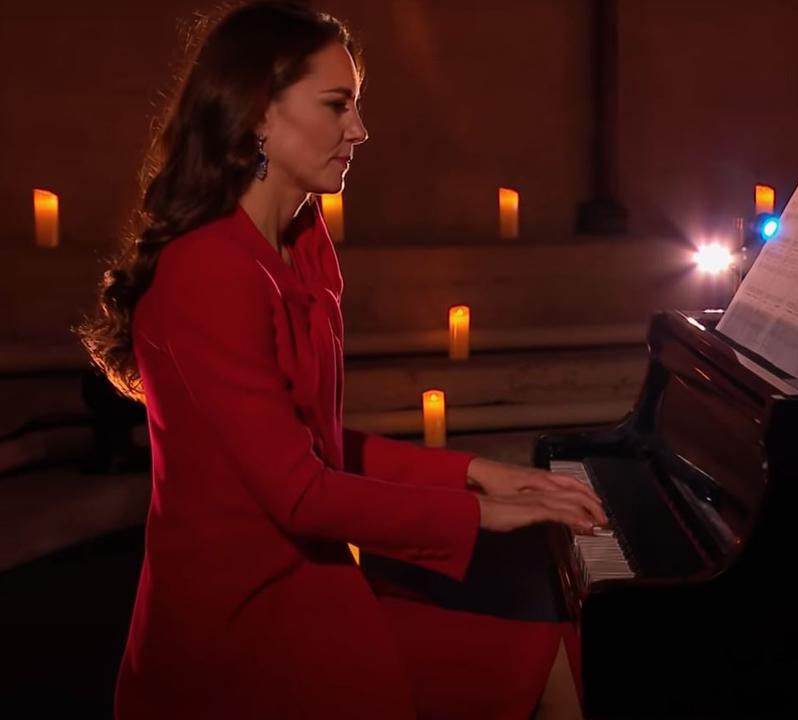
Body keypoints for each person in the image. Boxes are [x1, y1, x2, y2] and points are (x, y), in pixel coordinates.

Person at [75, 2, 604, 718]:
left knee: (564, 644)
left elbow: (317, 445)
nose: (359, 130)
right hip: (241, 627)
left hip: (313, 585)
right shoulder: (206, 269)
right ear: (257, 112)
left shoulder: (304, 241)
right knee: (550, 653)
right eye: (337, 106)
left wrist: (483, 473)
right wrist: (481, 513)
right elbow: (298, 491)